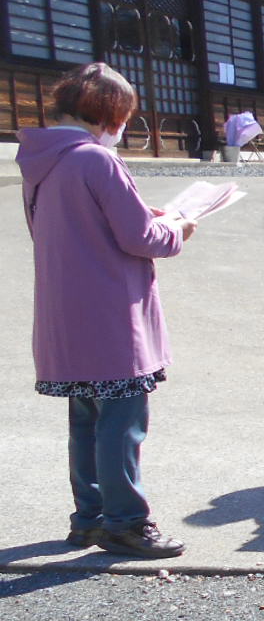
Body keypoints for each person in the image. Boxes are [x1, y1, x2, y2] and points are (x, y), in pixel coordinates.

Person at [19, 62, 197, 558]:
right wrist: (177, 229)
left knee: (86, 421)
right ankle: (126, 524)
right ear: (109, 116)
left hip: (65, 314)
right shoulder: (97, 161)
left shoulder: (43, 161)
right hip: (111, 315)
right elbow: (139, 238)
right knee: (122, 422)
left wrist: (146, 214)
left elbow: (76, 226)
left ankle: (90, 519)